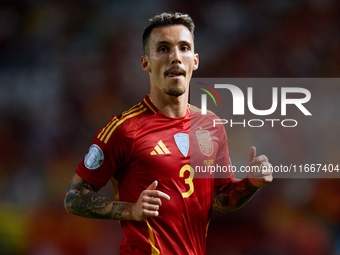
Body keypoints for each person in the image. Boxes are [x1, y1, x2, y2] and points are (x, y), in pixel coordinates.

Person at [64, 12, 273, 254]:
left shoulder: (212, 125)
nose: (175, 57)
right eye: (163, 49)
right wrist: (130, 209)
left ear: (195, 61)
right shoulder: (124, 129)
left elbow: (221, 198)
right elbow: (74, 197)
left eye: (184, 48)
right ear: (146, 63)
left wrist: (251, 184)